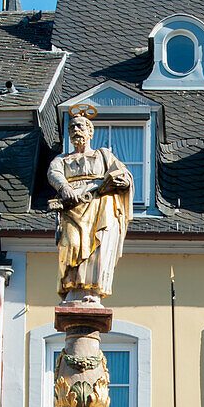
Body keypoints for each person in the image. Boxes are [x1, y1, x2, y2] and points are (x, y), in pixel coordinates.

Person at [48, 111, 133, 302]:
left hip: (99, 206)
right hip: (72, 207)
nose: (75, 131)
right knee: (70, 245)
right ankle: (72, 287)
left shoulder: (103, 155)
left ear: (90, 131)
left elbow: (125, 176)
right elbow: (53, 173)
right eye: (71, 128)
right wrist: (64, 187)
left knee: (98, 248)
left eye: (80, 126)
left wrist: (119, 182)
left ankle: (92, 291)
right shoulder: (62, 159)